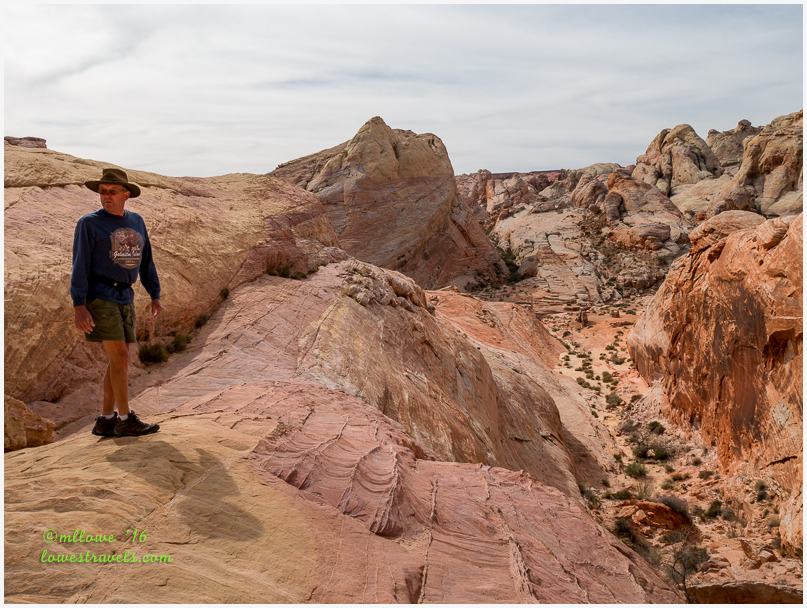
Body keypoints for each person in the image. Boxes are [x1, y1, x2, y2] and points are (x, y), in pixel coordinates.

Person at [71, 167, 162, 437]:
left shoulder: (137, 221)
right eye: (102, 192)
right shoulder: (89, 223)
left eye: (112, 192)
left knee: (117, 362)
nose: (106, 197)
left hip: (125, 295)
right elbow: (79, 265)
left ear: (126, 194)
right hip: (101, 296)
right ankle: (125, 419)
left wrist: (155, 294)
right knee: (120, 357)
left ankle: (106, 418)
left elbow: (146, 261)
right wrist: (79, 305)